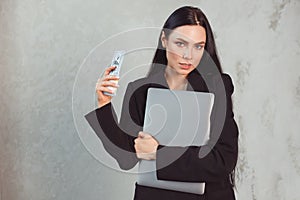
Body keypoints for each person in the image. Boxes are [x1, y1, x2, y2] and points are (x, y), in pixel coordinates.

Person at [85, 6, 239, 200]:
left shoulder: (217, 86)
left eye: (198, 46)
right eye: (181, 44)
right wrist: (103, 105)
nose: (188, 56)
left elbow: (224, 160)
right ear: (164, 40)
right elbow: (126, 158)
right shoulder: (140, 90)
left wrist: (159, 153)